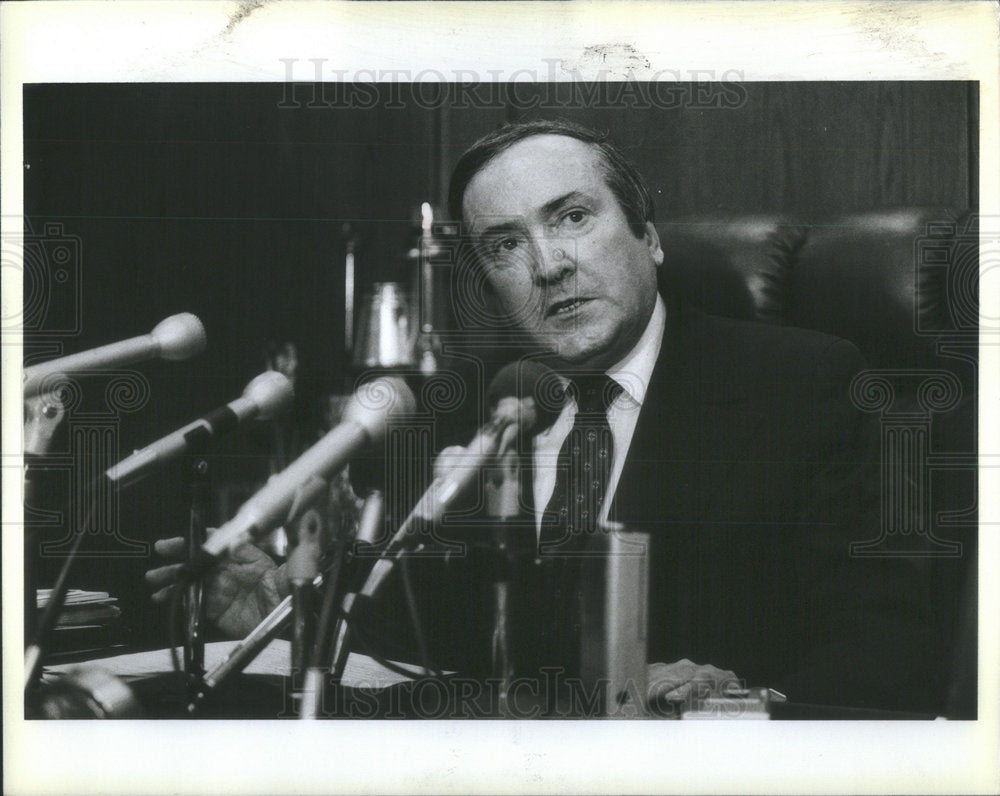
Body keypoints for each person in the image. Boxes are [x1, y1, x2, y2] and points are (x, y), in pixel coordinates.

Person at [148, 119, 934, 713]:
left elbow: (890, 647)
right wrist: (293, 612)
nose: (549, 265)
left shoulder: (804, 384)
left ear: (649, 235)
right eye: (505, 245)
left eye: (572, 218)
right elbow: (445, 646)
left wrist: (739, 704)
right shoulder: (463, 414)